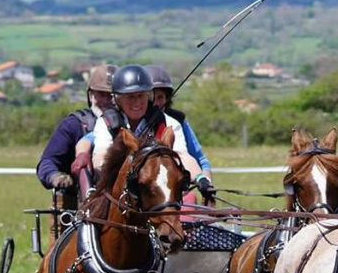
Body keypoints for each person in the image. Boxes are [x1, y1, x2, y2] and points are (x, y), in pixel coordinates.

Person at [75, 65, 208, 198]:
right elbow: (101, 158)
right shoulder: (106, 123)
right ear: (118, 99)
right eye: (130, 97)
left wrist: (200, 177)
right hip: (117, 193)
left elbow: (182, 155)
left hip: (157, 192)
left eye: (141, 96)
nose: (137, 103)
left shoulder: (168, 123)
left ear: (149, 97)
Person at [36, 64, 116, 242]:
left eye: (112, 96)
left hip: (116, 203)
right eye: (101, 94)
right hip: (72, 203)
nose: (107, 101)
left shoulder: (129, 125)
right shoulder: (73, 125)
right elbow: (46, 162)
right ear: (91, 95)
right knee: (57, 261)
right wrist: (55, 177)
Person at [145, 65, 213, 182]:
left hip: (174, 186)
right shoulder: (133, 121)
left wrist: (206, 183)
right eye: (152, 98)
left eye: (161, 97)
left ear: (167, 99)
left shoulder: (177, 121)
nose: (156, 103)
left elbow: (201, 161)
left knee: (191, 198)